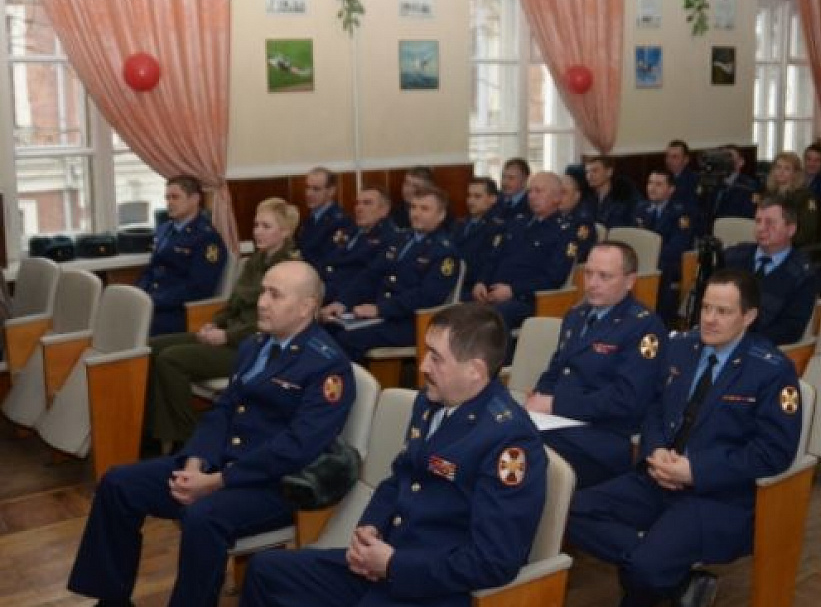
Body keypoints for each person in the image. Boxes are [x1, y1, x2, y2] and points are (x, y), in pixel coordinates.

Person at [67, 261, 355, 607]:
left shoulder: (326, 365)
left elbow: (296, 448)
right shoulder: (255, 346)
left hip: (274, 484)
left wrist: (217, 481)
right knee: (117, 484)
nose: (262, 302)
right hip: (218, 464)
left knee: (202, 518)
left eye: (274, 295)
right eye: (263, 290)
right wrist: (196, 461)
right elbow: (222, 412)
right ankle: (111, 600)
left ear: (307, 306)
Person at [240, 302, 546, 607]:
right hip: (385, 563)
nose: (423, 365)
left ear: (475, 371)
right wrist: (370, 528)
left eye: (436, 358)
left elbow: (493, 561)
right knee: (267, 570)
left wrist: (394, 565)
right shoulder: (430, 403)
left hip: (433, 586)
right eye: (427, 351)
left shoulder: (509, 442)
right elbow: (401, 475)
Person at [567, 270, 802, 607]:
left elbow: (774, 453)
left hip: (716, 496)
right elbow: (654, 410)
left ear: (748, 316)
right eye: (706, 308)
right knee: (570, 511)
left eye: (723, 312)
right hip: (658, 476)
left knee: (646, 569)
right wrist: (656, 449)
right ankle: (674, 579)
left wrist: (696, 470)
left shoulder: (771, 370)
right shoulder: (680, 348)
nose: (709, 319)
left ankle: (653, 567)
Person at [148, 198, 301, 449]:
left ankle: (187, 439)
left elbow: (273, 325)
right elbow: (233, 304)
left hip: (255, 349)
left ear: (284, 232)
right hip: (231, 335)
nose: (257, 231)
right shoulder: (255, 261)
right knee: (151, 347)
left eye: (266, 226)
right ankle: (157, 431)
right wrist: (213, 324)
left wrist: (226, 337)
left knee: (171, 359)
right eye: (256, 225)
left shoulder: (290, 270)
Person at [526, 242, 667, 487]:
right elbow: (556, 369)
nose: (592, 283)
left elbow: (626, 399)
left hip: (604, 435)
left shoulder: (644, 326)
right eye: (588, 273)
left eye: (604, 276)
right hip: (560, 423)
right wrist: (538, 398)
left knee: (523, 449)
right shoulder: (576, 316)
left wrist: (555, 403)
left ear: (630, 281)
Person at [321, 187, 461, 363]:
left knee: (348, 339)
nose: (416, 214)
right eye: (413, 207)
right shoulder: (401, 239)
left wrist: (380, 309)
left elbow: (427, 296)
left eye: (424, 209)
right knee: (328, 327)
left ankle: (350, 388)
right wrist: (342, 302)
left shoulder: (444, 252)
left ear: (441, 215)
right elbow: (370, 275)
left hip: (411, 322)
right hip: (385, 315)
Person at [471, 172, 577, 331]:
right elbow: (493, 257)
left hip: (528, 299)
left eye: (538, 191)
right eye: (530, 191)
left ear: (557, 197)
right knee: (460, 313)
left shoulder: (564, 232)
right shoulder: (517, 223)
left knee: (493, 318)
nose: (532, 196)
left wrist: (513, 290)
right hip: (493, 294)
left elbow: (553, 278)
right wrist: (481, 281)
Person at [138, 175, 228, 336]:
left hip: (179, 312)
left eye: (175, 197)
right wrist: (140, 294)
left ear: (194, 199)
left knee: (134, 332)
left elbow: (199, 288)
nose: (169, 203)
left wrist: (155, 301)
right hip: (153, 303)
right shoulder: (164, 229)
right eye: (167, 198)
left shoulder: (206, 238)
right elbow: (151, 269)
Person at [722, 198, 819, 346]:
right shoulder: (733, 256)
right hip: (718, 338)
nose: (761, 228)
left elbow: (791, 329)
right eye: (758, 221)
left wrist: (742, 341)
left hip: (761, 350)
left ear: (791, 229)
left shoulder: (804, 274)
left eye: (770, 222)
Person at [632, 170, 695, 323]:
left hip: (668, 264)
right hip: (643, 262)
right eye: (650, 183)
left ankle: (659, 320)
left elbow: (677, 247)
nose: (652, 188)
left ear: (671, 189)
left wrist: (650, 256)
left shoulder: (681, 213)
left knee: (662, 269)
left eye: (658, 184)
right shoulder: (641, 209)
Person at [318, 186, 397, 304]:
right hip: (326, 289)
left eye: (367, 203)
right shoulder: (350, 230)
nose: (359, 208)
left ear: (384, 210)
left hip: (350, 299)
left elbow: (366, 277)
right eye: (357, 203)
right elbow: (327, 261)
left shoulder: (389, 238)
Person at [452, 177, 506, 293]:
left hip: (474, 286)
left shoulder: (496, 228)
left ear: (492, 199)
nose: (471, 201)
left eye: (477, 196)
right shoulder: (460, 224)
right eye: (469, 195)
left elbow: (490, 261)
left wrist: (481, 282)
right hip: (452, 281)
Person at [296, 167, 355, 267]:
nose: (309, 193)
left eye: (316, 189)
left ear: (331, 191)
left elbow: (332, 259)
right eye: (307, 187)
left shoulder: (340, 221)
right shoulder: (310, 219)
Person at [760, 152, 820, 249]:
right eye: (778, 167)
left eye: (787, 168)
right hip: (768, 244)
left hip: (793, 247)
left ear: (795, 173)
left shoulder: (805, 197)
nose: (781, 171)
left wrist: (781, 241)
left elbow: (807, 231)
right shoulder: (768, 194)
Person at [585, 155, 638, 229]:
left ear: (609, 172)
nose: (589, 176)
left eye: (595, 171)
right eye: (587, 172)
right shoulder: (587, 199)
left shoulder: (624, 197)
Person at [559, 173, 598, 263]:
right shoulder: (551, 217)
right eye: (557, 193)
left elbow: (573, 252)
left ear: (577, 196)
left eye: (564, 192)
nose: (559, 197)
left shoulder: (583, 222)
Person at [665, 139, 700, 207]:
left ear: (686, 159)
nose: (669, 160)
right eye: (667, 156)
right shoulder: (664, 177)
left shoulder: (693, 179)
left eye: (674, 157)